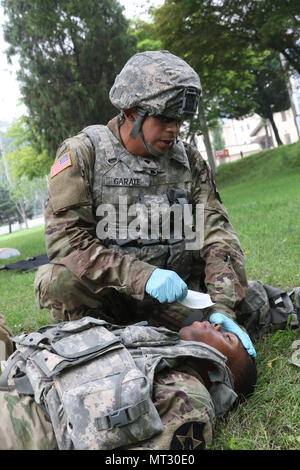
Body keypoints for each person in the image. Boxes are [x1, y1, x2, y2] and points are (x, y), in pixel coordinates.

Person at [34, 50, 255, 358]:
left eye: (178, 120)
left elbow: (216, 233)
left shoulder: (187, 159)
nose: (174, 129)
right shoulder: (83, 154)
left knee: (248, 303)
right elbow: (65, 243)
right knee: (59, 280)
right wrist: (142, 276)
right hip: (108, 298)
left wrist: (223, 309)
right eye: (165, 118)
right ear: (131, 113)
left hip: (175, 295)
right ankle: (101, 343)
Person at [0, 316, 257, 451]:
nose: (215, 323)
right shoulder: (158, 351)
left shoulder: (191, 400)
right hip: (18, 375)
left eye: (226, 336)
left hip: (23, 422)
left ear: (223, 374)